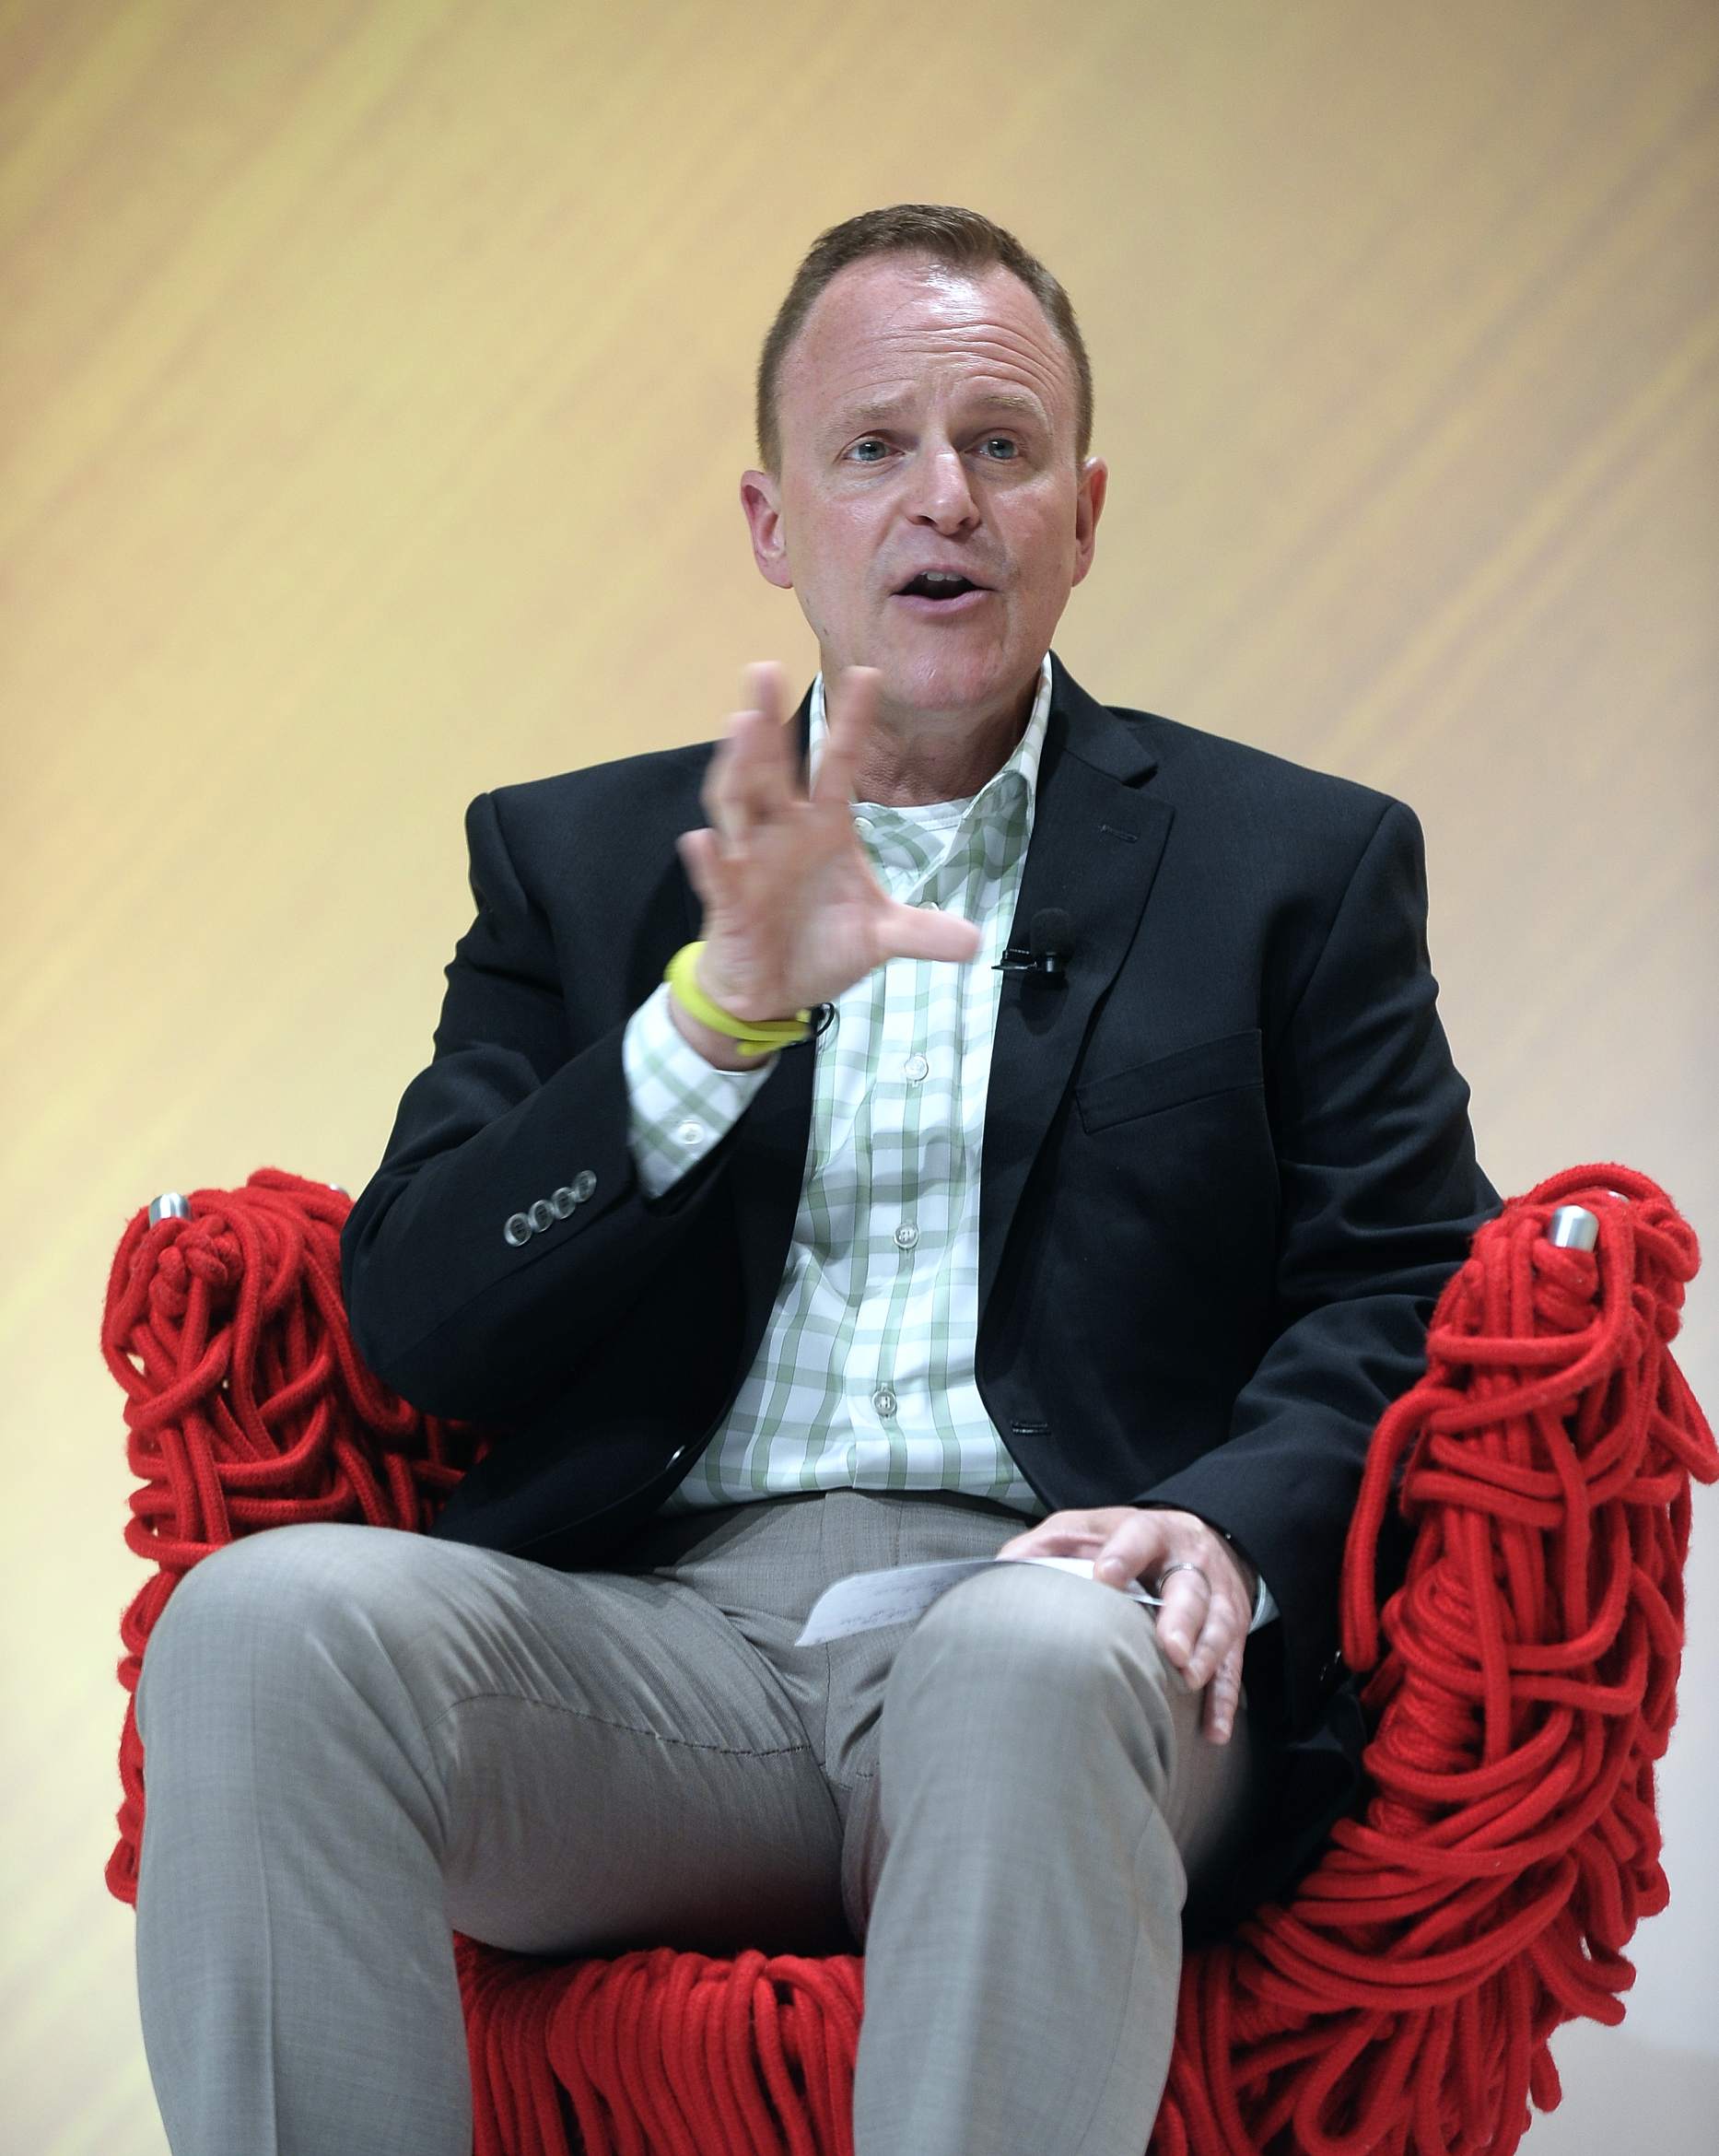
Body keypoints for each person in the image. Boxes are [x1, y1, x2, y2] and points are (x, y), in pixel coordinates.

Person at [133, 205, 1496, 2156]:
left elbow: (1409, 1279)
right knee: (261, 1628)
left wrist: (1221, 1524)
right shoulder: (581, 863)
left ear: (1083, 514)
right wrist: (711, 1022)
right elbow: (421, 1318)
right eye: (874, 447)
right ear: (775, 521)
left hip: (1068, 1629)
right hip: (658, 1660)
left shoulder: (1293, 862)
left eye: (1001, 446)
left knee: (1028, 1657)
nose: (944, 497)